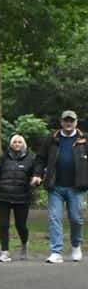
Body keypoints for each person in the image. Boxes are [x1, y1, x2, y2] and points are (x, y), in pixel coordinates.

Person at [31, 109, 88, 263]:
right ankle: (56, 251)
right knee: (55, 218)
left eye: (71, 121)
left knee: (76, 218)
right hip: (55, 186)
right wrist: (37, 175)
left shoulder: (84, 140)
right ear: (61, 122)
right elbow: (40, 158)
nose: (68, 123)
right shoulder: (52, 139)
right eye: (65, 120)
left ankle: (76, 245)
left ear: (76, 122)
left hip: (76, 187)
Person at [0, 134, 37, 262]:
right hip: (3, 197)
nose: (17, 144)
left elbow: (37, 175)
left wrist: (35, 182)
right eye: (15, 142)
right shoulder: (3, 158)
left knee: (21, 225)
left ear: (24, 144)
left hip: (22, 198)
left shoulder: (31, 159)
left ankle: (24, 245)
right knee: (4, 225)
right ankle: (4, 252)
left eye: (20, 142)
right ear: (11, 144)